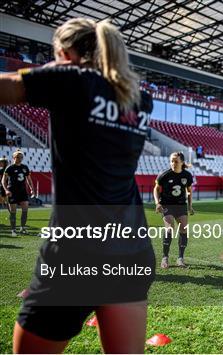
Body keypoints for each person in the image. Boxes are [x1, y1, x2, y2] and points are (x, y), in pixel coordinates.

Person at [0, 18, 154, 353]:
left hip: (76, 253)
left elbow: (6, 86)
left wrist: (48, 71)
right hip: (132, 250)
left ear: (64, 52)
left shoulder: (71, 80)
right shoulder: (138, 98)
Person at [154, 152, 194, 269]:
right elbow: (156, 189)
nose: (173, 163)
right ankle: (165, 257)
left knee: (183, 229)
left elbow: (189, 191)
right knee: (170, 227)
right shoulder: (164, 174)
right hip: (167, 205)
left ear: (182, 162)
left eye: (176, 161)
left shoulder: (187, 175)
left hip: (181, 205)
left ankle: (180, 258)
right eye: (171, 161)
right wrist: (157, 203)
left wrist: (190, 206)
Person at [2, 150, 34, 236]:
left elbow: (29, 179)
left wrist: (32, 189)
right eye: (17, 157)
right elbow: (3, 180)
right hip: (12, 191)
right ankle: (13, 230)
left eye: (21, 157)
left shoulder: (25, 167)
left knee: (25, 209)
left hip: (22, 192)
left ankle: (22, 228)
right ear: (13, 158)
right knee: (13, 211)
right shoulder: (9, 168)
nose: (19, 159)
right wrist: (6, 190)